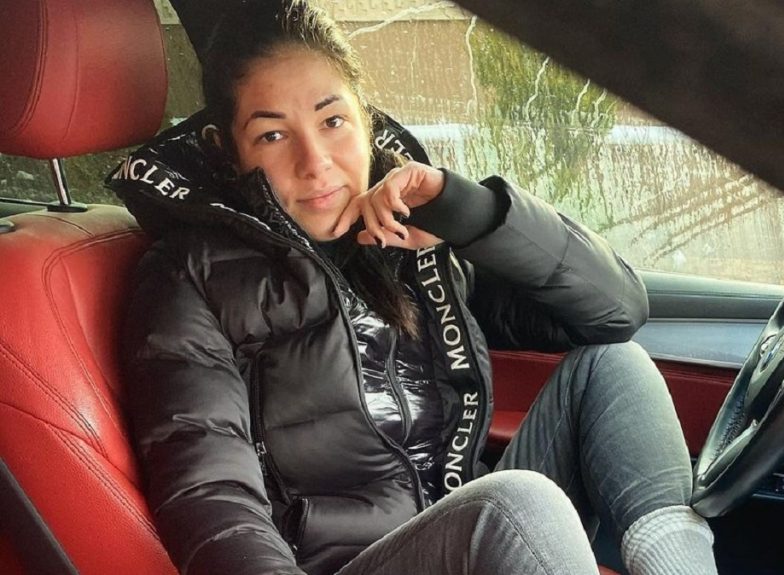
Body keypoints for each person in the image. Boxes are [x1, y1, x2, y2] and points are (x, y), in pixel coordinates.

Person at [110, 1, 718, 574]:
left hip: (459, 535)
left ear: (366, 120)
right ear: (228, 152)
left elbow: (615, 311)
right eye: (273, 135)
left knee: (612, 368)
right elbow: (211, 492)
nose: (316, 161)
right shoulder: (190, 274)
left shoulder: (405, 239)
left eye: (333, 121)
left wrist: (468, 214)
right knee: (515, 504)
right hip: (343, 563)